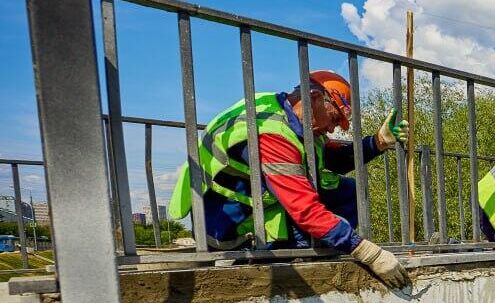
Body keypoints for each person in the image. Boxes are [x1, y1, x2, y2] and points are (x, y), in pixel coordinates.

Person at [167, 69, 410, 288]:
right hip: (230, 228)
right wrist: (369, 253)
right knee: (312, 219)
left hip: (257, 213)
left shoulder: (291, 118)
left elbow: (331, 158)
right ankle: (305, 271)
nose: (333, 129)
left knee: (348, 191)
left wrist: (377, 143)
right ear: (315, 98)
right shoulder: (271, 134)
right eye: (335, 119)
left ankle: (312, 251)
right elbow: (304, 209)